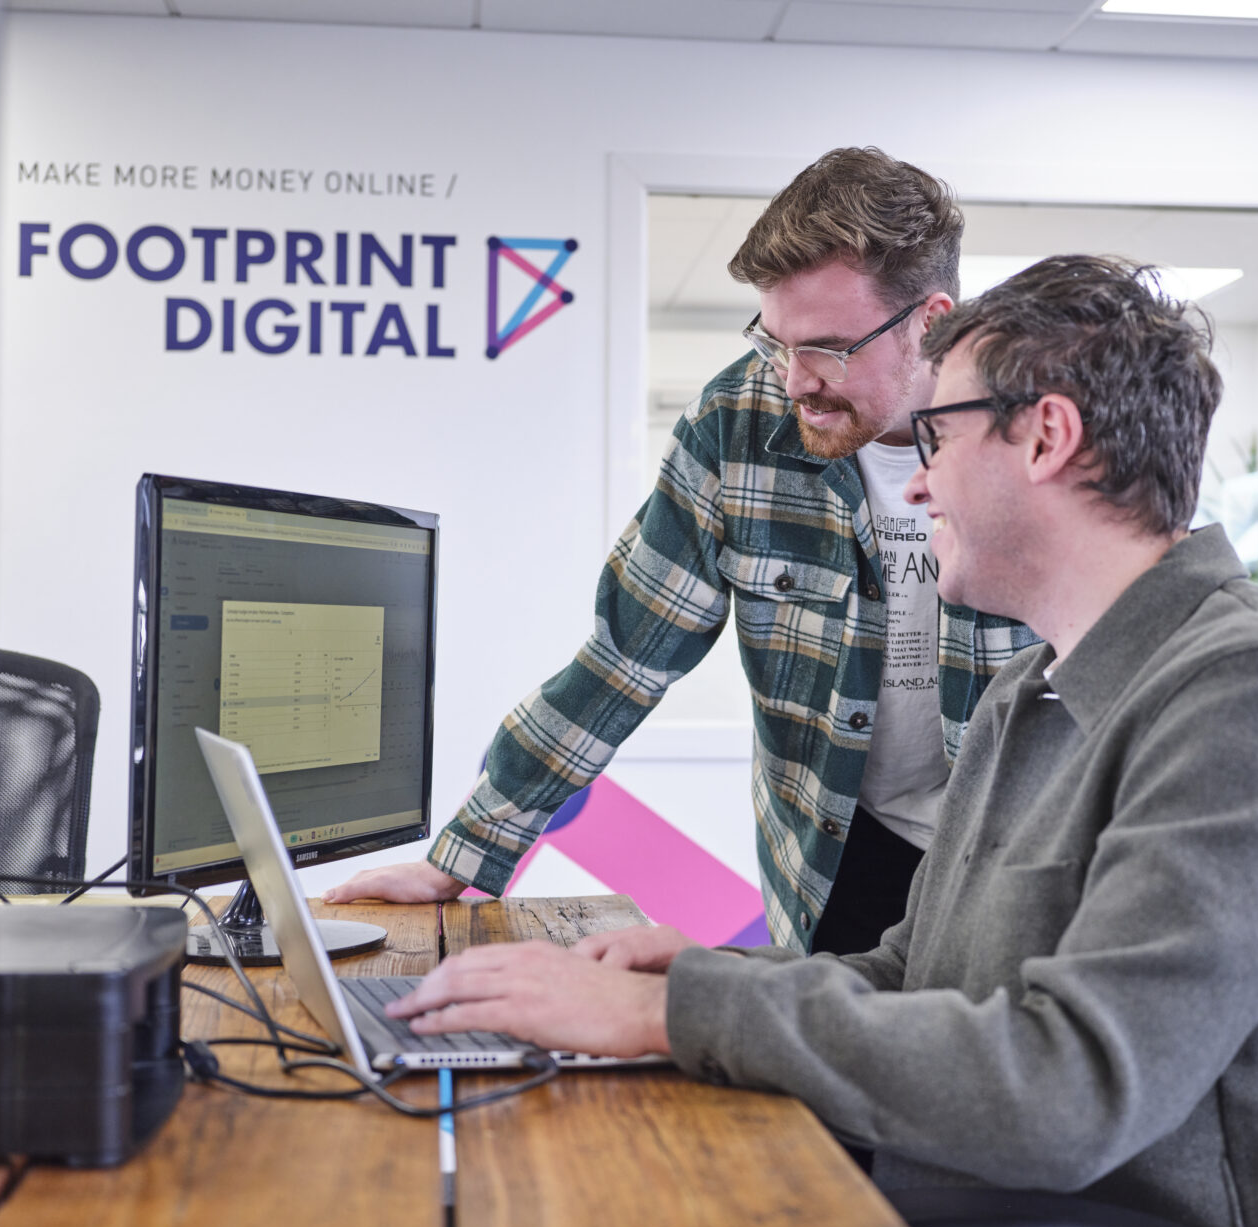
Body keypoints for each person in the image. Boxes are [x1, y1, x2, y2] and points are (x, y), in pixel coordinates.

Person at [386, 256, 1258, 1227]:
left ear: (1045, 436)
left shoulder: (1246, 700)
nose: (918, 485)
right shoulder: (1036, 690)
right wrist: (693, 976)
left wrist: (675, 1022)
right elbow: (911, 970)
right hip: (974, 1224)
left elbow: (1068, 1090)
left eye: (935, 437)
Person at [324, 147, 1035, 955]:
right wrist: (464, 857)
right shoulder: (740, 422)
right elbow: (628, 652)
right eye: (777, 342)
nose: (796, 381)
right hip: (838, 857)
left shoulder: (1039, 429)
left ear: (932, 321)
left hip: (1017, 861)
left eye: (829, 347)